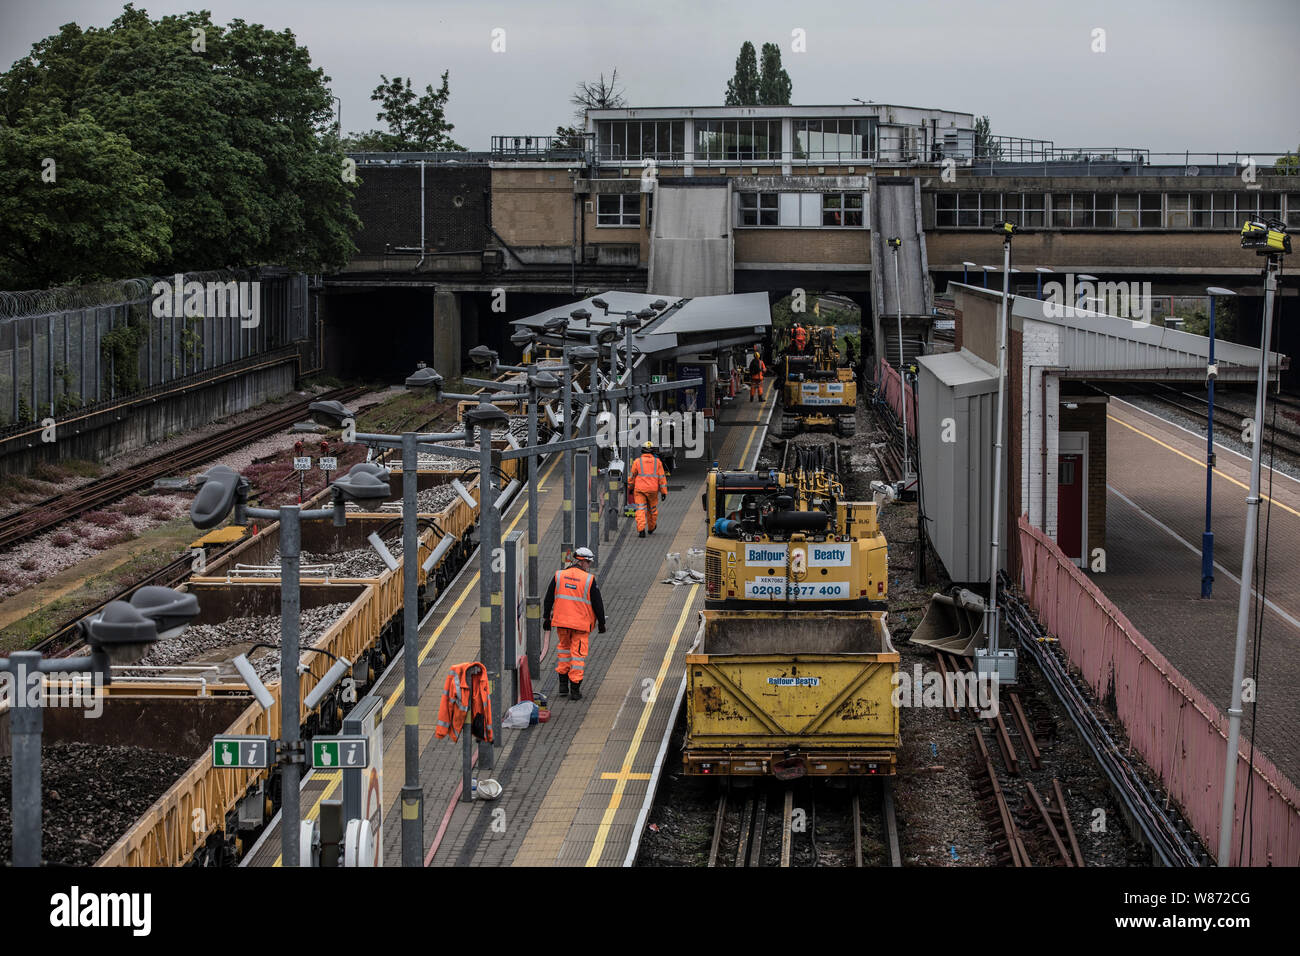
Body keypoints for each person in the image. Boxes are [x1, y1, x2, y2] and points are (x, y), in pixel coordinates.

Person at [543, 547, 606, 700]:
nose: (589, 566)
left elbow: (548, 598)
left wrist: (546, 618)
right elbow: (598, 604)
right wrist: (602, 623)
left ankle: (563, 686)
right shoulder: (588, 580)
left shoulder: (559, 575)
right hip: (580, 625)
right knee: (577, 656)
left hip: (562, 623)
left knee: (564, 652)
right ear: (582, 561)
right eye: (589, 563)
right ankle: (575, 690)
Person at [628, 440, 667, 537]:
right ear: (653, 451)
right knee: (652, 509)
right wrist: (663, 492)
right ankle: (651, 528)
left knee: (640, 509)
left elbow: (632, 477)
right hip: (653, 490)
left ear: (642, 450)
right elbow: (662, 478)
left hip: (640, 490)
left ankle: (641, 530)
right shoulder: (657, 462)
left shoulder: (637, 462)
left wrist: (630, 487)